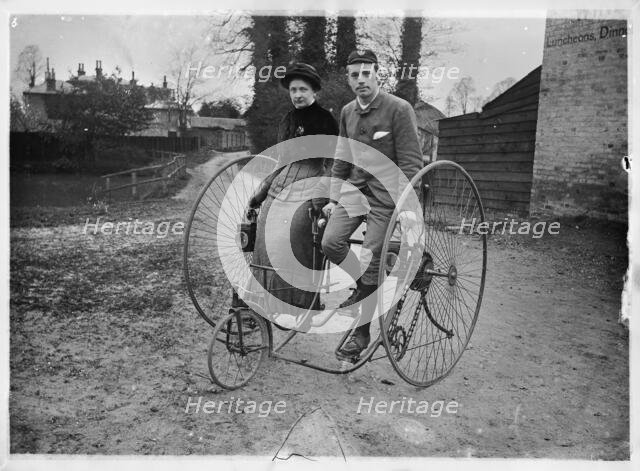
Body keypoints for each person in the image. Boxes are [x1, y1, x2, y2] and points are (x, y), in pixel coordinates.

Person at [321, 50, 423, 360]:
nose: (361, 79)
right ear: (348, 79)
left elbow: (410, 161)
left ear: (378, 73)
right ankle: (364, 285)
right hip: (355, 192)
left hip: (387, 197)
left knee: (372, 253)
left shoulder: (399, 109)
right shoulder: (348, 111)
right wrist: (332, 198)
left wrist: (405, 208)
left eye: (367, 73)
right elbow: (342, 156)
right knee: (330, 242)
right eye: (354, 75)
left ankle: (362, 333)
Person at [245, 63, 339, 318]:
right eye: (293, 89)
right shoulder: (287, 120)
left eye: (303, 89)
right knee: (264, 232)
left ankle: (299, 304)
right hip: (282, 183)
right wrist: (262, 191)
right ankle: (262, 302)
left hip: (311, 184)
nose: (297, 94)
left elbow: (333, 163)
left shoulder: (325, 120)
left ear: (314, 91)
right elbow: (280, 161)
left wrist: (328, 197)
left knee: (292, 231)